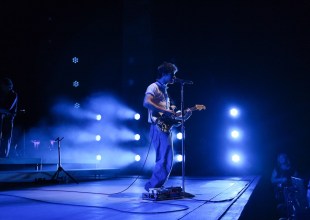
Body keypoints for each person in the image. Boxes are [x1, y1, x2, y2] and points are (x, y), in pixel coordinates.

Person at [143, 61, 192, 192]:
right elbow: (146, 102)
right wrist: (164, 110)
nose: (174, 78)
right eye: (172, 74)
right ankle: (152, 186)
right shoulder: (153, 87)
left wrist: (184, 116)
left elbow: (169, 115)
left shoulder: (165, 91)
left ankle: (156, 186)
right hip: (157, 127)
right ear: (164, 74)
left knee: (168, 159)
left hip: (165, 128)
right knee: (163, 158)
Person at [271, 153, 298, 218]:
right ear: (278, 159)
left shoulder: (292, 167)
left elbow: (297, 179)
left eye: (282, 157)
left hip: (291, 191)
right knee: (281, 207)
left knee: (293, 207)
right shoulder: (277, 169)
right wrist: (281, 179)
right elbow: (272, 180)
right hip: (281, 192)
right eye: (280, 158)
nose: (281, 159)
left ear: (286, 158)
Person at [0, 78, 18, 158]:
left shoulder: (13, 95)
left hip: (8, 119)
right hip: (2, 119)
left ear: (9, 86)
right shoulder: (2, 94)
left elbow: (8, 108)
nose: (2, 88)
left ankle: (4, 156)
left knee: (6, 138)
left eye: (3, 86)